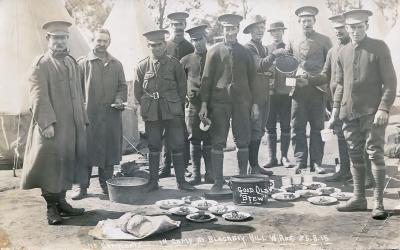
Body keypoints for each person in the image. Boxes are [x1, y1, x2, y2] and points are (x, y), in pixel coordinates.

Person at [328, 9, 397, 219]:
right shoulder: (342, 51)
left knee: (375, 154)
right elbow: (339, 84)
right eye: (352, 27)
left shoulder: (379, 48)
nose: (356, 31)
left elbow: (391, 83)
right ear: (346, 29)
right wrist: (335, 111)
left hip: (372, 113)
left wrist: (384, 108)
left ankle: (378, 202)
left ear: (366, 26)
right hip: (349, 113)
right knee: (354, 154)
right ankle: (358, 198)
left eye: (359, 27)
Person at [21, 21, 87, 225]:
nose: (59, 41)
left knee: (67, 163)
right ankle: (51, 208)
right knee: (50, 166)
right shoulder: (41, 64)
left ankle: (62, 202)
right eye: (55, 38)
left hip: (72, 126)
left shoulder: (71, 62)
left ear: (68, 39)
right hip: (52, 126)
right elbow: (37, 96)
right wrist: (46, 123)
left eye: (63, 37)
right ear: (48, 40)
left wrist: (82, 119)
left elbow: (79, 94)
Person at [199, 14, 259, 192]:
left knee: (243, 140)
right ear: (222, 30)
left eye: (233, 29)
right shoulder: (214, 51)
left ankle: (242, 179)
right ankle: (218, 182)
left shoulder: (245, 52)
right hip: (220, 102)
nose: (230, 32)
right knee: (218, 141)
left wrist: (254, 104)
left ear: (238, 30)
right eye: (227, 29)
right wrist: (203, 104)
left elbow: (253, 80)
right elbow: (206, 79)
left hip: (242, 102)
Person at [134, 29, 196, 191]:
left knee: (177, 145)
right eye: (153, 45)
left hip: (172, 110)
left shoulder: (175, 64)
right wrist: (148, 105)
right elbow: (138, 92)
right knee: (154, 146)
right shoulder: (141, 66)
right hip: (153, 113)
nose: (156, 48)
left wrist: (176, 104)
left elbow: (182, 88)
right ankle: (153, 182)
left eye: (159, 45)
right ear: (149, 46)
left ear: (165, 44)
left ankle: (181, 182)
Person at [72, 28, 127, 200]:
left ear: (109, 42)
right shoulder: (82, 63)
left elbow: (122, 87)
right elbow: (76, 90)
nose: (102, 44)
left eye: (105, 41)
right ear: (93, 41)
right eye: (99, 40)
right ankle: (82, 187)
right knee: (85, 152)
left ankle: (106, 185)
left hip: (111, 116)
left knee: (109, 151)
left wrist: (119, 100)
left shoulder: (116, 64)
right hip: (89, 117)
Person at [286, 6, 332, 174]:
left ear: (314, 21)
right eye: (303, 20)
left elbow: (330, 68)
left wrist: (328, 95)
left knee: (318, 127)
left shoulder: (325, 40)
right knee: (297, 126)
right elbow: (287, 67)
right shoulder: (292, 40)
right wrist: (293, 82)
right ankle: (299, 161)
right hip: (298, 92)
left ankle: (317, 162)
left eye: (309, 20)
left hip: (317, 90)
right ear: (299, 22)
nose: (307, 23)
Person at [243, 16, 286, 175]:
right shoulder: (249, 47)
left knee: (260, 130)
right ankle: (252, 167)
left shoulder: (261, 47)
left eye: (262, 27)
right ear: (250, 31)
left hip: (264, 93)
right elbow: (259, 65)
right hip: (254, 95)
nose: (260, 30)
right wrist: (274, 55)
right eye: (256, 28)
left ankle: (254, 166)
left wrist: (267, 70)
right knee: (254, 130)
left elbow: (265, 68)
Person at [160, 11, 194, 178]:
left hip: (184, 97)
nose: (178, 28)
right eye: (174, 25)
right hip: (167, 96)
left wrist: (188, 93)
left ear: (185, 26)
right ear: (170, 26)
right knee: (166, 130)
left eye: (180, 24)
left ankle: (184, 165)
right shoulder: (164, 46)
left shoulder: (190, 47)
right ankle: (165, 166)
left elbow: (193, 73)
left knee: (183, 130)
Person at [180, 24, 213, 185]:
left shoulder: (213, 57)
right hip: (192, 105)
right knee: (194, 139)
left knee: (209, 139)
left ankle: (210, 173)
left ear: (205, 38)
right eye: (194, 40)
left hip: (211, 105)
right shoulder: (185, 60)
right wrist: (185, 97)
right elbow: (180, 83)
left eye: (200, 39)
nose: (197, 43)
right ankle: (196, 174)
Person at [263, 21, 293, 169]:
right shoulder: (266, 49)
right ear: (270, 33)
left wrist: (292, 88)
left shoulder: (289, 49)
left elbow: (294, 70)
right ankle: (272, 157)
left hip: (285, 93)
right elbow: (261, 68)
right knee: (270, 127)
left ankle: (284, 157)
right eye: (273, 31)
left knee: (286, 126)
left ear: (283, 32)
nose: (276, 33)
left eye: (279, 31)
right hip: (269, 94)